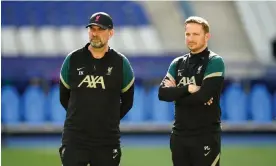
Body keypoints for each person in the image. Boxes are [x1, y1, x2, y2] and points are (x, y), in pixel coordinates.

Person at [59, 12, 135, 166]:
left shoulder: (121, 63)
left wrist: (107, 120)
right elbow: (64, 97)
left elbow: (127, 102)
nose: (95, 33)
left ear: (111, 33)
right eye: (92, 29)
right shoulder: (72, 59)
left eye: (100, 29)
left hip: (106, 140)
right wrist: (81, 119)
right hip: (75, 139)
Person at [159, 16, 225, 166]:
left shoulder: (215, 62)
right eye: (188, 34)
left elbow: (202, 97)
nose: (190, 38)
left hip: (205, 136)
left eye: (196, 34)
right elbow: (162, 94)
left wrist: (175, 93)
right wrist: (188, 88)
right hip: (179, 137)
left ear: (206, 36)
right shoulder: (177, 63)